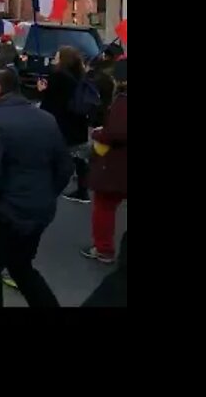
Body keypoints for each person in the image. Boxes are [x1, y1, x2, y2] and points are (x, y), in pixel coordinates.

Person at [0, 68, 71, 308]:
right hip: (39, 210)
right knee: (21, 266)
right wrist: (47, 194)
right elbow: (65, 166)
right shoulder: (45, 118)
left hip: (6, 212)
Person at [84, 58, 126, 263]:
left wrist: (100, 134)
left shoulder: (123, 100)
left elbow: (118, 132)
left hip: (116, 165)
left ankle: (103, 249)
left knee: (104, 207)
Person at [39, 46, 93, 204]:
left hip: (62, 124)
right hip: (78, 122)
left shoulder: (58, 77)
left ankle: (51, 186)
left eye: (56, 57)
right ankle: (83, 191)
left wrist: (43, 91)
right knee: (79, 158)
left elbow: (51, 103)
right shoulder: (80, 76)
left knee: (55, 156)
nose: (53, 60)